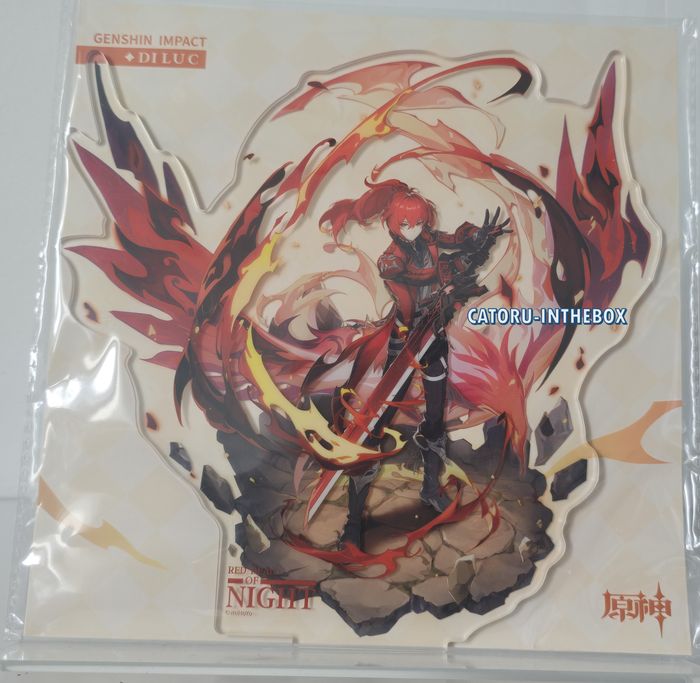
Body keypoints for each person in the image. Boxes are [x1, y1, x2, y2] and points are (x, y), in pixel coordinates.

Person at [319, 180, 509, 548]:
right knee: (378, 424)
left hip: (433, 338)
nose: (413, 229)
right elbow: (408, 297)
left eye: (418, 222)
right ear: (392, 224)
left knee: (435, 418)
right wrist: (446, 287)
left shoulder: (430, 240)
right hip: (406, 342)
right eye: (405, 224)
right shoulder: (391, 259)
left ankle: (431, 489)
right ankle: (354, 525)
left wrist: (478, 240)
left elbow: (455, 242)